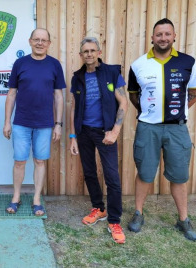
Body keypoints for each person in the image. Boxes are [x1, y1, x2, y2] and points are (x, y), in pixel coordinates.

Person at [127, 18, 196, 242]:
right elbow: (133, 95)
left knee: (179, 176)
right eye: (159, 34)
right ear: (152, 37)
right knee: (145, 173)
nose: (163, 38)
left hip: (177, 129)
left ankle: (183, 219)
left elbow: (195, 93)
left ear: (174, 36)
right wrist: (151, 114)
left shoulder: (188, 62)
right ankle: (138, 214)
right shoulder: (138, 65)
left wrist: (177, 111)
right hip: (148, 128)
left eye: (167, 34)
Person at [69, 37, 128, 244]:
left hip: (106, 133)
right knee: (90, 172)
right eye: (85, 51)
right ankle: (99, 208)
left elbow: (123, 103)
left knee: (112, 176)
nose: (89, 54)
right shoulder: (77, 77)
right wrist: (73, 136)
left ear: (99, 52)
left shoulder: (112, 73)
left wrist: (115, 131)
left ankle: (114, 220)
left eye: (93, 50)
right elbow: (74, 107)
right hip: (84, 132)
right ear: (80, 55)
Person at [3, 28, 65, 217]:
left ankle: (36, 199)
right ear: (30, 41)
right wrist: (7, 122)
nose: (40, 43)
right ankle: (16, 197)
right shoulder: (20, 63)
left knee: (39, 160)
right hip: (21, 122)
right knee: (20, 161)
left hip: (45, 123)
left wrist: (58, 124)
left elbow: (59, 96)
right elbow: (12, 93)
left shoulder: (54, 65)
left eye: (43, 40)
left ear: (49, 43)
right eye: (36, 39)